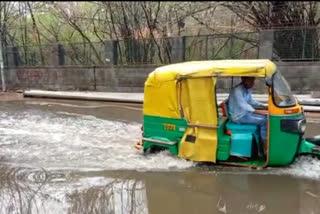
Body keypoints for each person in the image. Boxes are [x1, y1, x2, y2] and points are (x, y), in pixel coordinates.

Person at [228, 77, 268, 153]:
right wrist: (258, 111)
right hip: (238, 117)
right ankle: (265, 147)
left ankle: (262, 141)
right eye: (251, 81)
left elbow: (251, 101)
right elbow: (244, 105)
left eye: (253, 81)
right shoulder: (237, 90)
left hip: (245, 113)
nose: (253, 83)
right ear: (244, 80)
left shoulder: (247, 89)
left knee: (267, 117)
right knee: (264, 121)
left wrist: (264, 106)